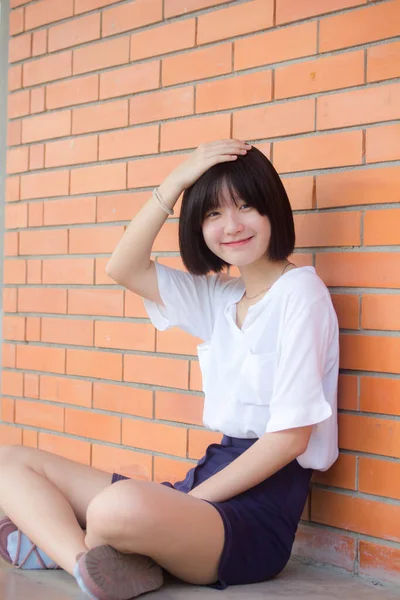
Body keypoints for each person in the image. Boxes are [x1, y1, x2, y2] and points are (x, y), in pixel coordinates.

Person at [0, 140, 339, 600]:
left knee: (113, 510)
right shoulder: (220, 298)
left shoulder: (302, 294)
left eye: (245, 207)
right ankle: (86, 565)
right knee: (9, 462)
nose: (232, 226)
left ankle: (84, 542)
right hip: (201, 484)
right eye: (212, 214)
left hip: (255, 517)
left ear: (272, 212)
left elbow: (289, 439)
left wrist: (181, 503)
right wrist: (176, 181)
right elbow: (122, 266)